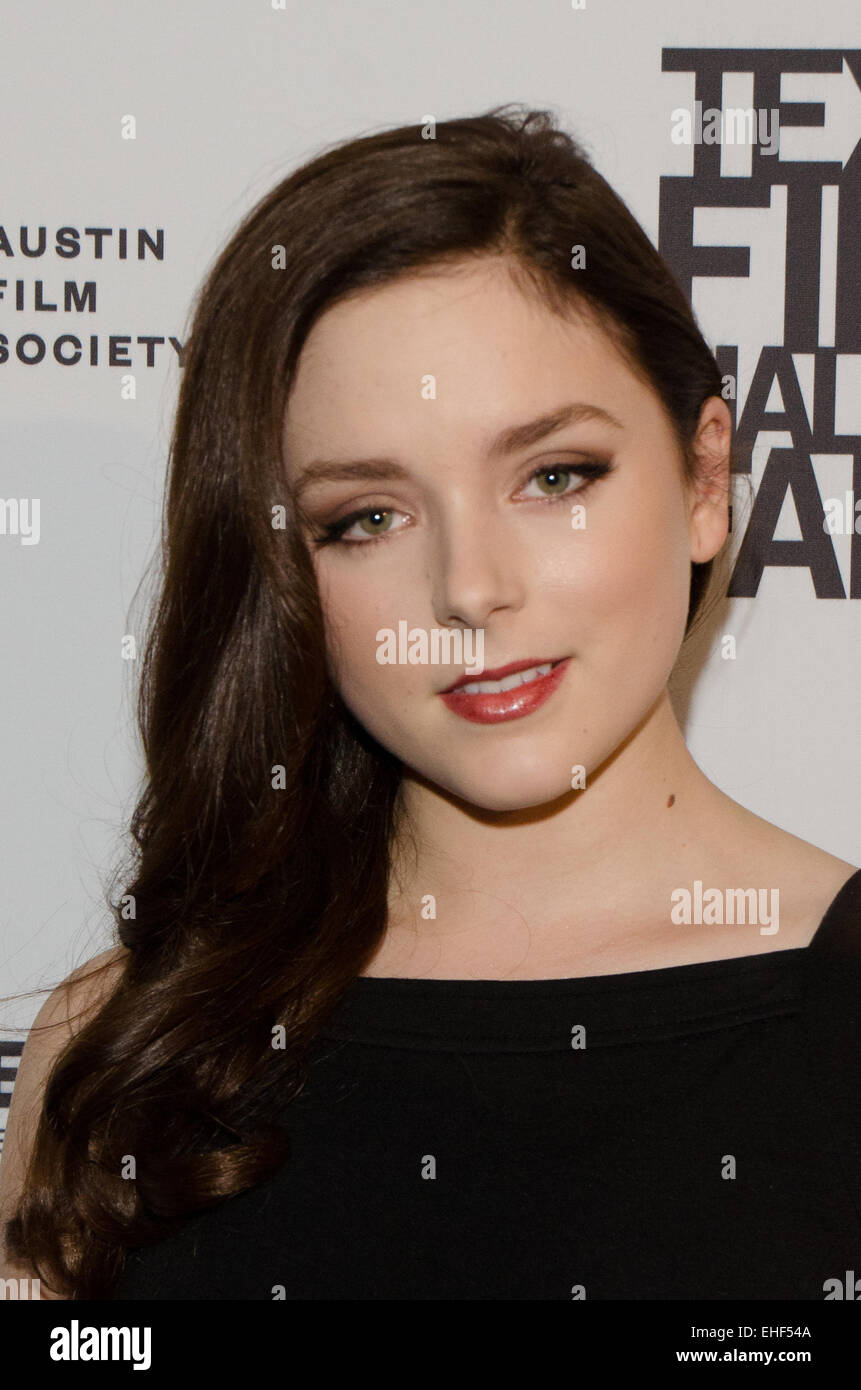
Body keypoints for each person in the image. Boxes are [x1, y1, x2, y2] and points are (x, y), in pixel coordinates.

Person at [1, 105, 858, 1302]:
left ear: (705, 477)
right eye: (369, 517)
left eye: (554, 476)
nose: (469, 588)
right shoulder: (131, 1046)